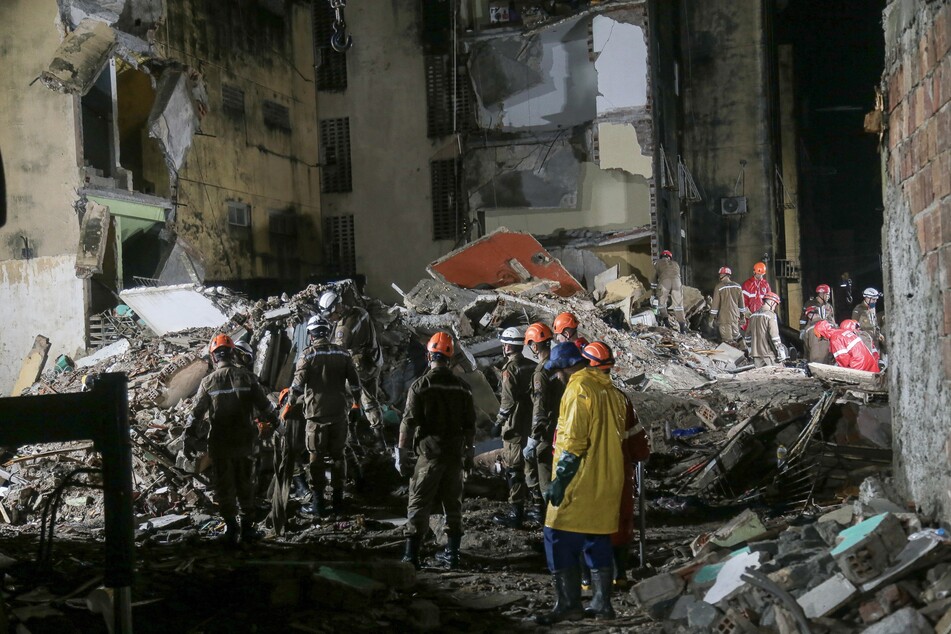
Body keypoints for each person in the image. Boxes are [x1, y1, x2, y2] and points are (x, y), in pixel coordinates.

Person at [536, 342, 626, 625]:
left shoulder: (578, 389)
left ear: (567, 367)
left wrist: (560, 481)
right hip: (608, 480)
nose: (558, 377)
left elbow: (573, 441)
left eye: (559, 371)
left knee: (556, 537)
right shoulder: (613, 392)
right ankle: (602, 603)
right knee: (596, 538)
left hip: (580, 481)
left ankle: (568, 604)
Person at [185, 334, 278, 546]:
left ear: (214, 357)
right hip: (245, 443)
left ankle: (230, 530)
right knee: (246, 486)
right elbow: (266, 407)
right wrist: (279, 426)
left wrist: (188, 436)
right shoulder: (247, 377)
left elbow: (195, 414)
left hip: (220, 445)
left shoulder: (208, 382)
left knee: (224, 488)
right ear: (233, 353)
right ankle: (247, 531)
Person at [396, 332, 476, 570]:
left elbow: (408, 423)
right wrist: (469, 453)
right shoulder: (463, 388)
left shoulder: (420, 386)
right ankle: (452, 556)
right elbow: (470, 426)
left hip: (429, 455)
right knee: (453, 505)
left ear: (429, 355)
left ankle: (412, 557)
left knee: (419, 503)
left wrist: (401, 452)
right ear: (449, 358)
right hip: (454, 455)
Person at [580, 342, 650, 590]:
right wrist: (640, 455)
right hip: (618, 474)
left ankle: (588, 578)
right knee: (620, 523)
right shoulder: (621, 399)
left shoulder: (579, 397)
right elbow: (637, 441)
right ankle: (619, 575)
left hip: (589, 474)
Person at [290, 315, 362, 517]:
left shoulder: (308, 355)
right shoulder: (343, 353)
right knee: (339, 457)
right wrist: (356, 405)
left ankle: (319, 504)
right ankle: (339, 503)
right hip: (340, 414)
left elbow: (297, 385)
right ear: (327, 332)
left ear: (311, 335)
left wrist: (287, 406)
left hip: (316, 416)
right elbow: (355, 384)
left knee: (316, 458)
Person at [319, 288, 386, 446]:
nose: (330, 319)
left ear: (337, 308)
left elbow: (338, 352)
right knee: (370, 399)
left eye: (330, 315)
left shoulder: (344, 329)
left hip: (360, 367)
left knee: (346, 399)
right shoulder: (360, 311)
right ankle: (379, 437)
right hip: (374, 362)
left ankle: (351, 436)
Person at [492, 327, 536, 528]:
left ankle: (516, 513)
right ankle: (538, 509)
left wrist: (498, 423)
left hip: (515, 427)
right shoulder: (533, 366)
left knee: (514, 469)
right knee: (532, 467)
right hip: (532, 424)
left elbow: (507, 402)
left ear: (508, 346)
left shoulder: (510, 369)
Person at [522, 322, 563, 524]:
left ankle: (550, 514)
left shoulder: (541, 372)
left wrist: (534, 437)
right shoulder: (558, 365)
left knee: (542, 465)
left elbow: (539, 405)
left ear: (535, 346)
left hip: (546, 428)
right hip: (560, 423)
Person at [814, 320, 879, 372]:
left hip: (858, 365)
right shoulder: (842, 332)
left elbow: (844, 361)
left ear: (822, 333)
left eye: (819, 335)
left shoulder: (835, 339)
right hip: (869, 362)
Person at [710, 266, 746, 348]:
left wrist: (711, 319)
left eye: (721, 274)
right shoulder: (738, 286)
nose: (720, 276)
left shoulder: (719, 287)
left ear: (724, 275)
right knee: (737, 336)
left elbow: (715, 306)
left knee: (727, 340)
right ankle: (745, 352)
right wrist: (742, 316)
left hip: (724, 318)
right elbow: (742, 305)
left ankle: (732, 358)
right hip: (735, 317)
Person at [748, 291, 787, 367]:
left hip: (756, 355)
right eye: (775, 304)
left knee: (759, 376)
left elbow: (747, 336)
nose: (775, 307)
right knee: (777, 374)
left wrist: (750, 349)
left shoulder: (753, 316)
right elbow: (774, 335)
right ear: (772, 302)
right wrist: (780, 350)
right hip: (768, 354)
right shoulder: (770, 315)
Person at [652, 250, 688, 332]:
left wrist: (654, 290)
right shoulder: (675, 264)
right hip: (677, 283)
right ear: (670, 257)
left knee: (661, 303)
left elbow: (653, 277)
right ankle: (682, 326)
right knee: (678, 305)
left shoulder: (657, 262)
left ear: (661, 256)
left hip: (665, 282)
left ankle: (666, 322)